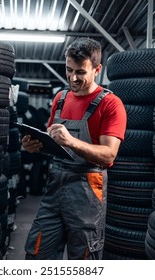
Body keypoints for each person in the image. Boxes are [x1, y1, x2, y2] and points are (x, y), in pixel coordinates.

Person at [21, 37, 127, 260]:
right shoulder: (60, 98)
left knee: (84, 256)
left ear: (97, 69)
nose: (73, 77)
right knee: (38, 251)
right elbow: (53, 144)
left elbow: (108, 155)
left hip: (87, 189)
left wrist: (71, 141)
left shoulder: (110, 104)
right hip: (55, 184)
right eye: (69, 70)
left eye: (80, 72)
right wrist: (36, 146)